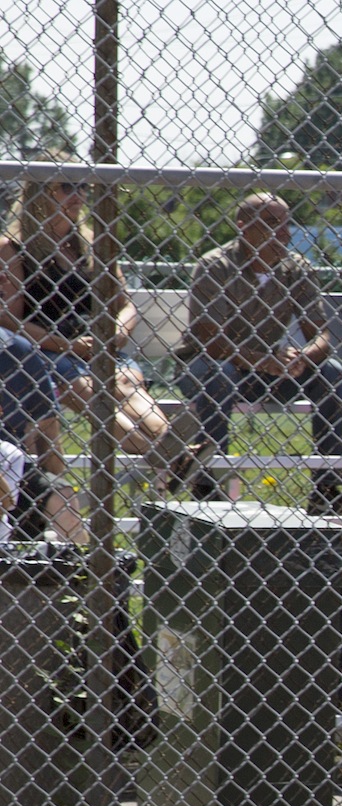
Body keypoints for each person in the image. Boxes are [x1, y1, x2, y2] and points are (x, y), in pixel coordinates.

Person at [0, 152, 166, 538]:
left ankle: (168, 450)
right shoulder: (14, 247)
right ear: (41, 193)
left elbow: (124, 303)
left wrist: (114, 335)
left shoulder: (94, 244)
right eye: (67, 187)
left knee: (128, 387)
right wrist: (66, 345)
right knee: (92, 390)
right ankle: (171, 461)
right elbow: (9, 318)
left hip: (97, 347)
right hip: (45, 350)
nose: (79, 196)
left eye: (84, 187)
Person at [177, 193, 342, 511]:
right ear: (244, 227)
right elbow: (211, 341)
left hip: (267, 370)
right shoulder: (216, 266)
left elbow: (321, 334)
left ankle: (327, 487)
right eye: (272, 224)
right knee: (219, 373)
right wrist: (265, 361)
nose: (283, 233)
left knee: (332, 372)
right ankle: (209, 482)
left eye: (286, 224)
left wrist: (302, 357)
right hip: (208, 367)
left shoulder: (296, 267)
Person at [0, 328, 72, 541]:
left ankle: (81, 570)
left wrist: (56, 480)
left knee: (61, 495)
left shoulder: (16, 349)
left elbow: (47, 425)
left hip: (10, 463)